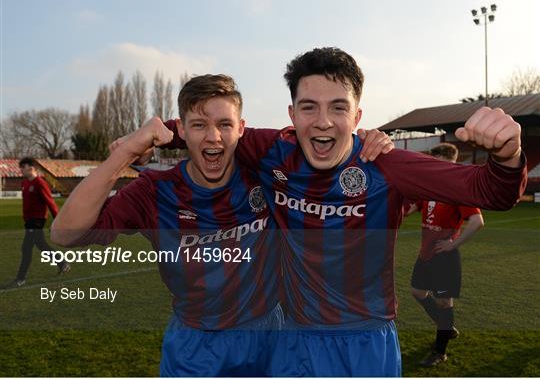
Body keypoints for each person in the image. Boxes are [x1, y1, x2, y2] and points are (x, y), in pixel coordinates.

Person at [160, 47, 527, 376]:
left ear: (357, 116)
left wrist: (507, 154)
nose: (323, 121)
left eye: (338, 107)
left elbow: (492, 190)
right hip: (292, 339)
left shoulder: (385, 165)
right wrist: (151, 137)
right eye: (309, 107)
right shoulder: (273, 151)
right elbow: (213, 130)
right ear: (292, 114)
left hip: (364, 343)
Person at [51, 74, 392, 376]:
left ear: (240, 129)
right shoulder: (155, 190)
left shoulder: (267, 177)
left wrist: (367, 140)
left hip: (269, 337)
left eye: (225, 125)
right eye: (199, 125)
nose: (213, 137)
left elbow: (326, 147)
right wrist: (126, 151)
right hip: (196, 345)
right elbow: (64, 234)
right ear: (180, 131)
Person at [405, 143, 484, 367]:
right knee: (417, 291)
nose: (432, 165)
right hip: (426, 254)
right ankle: (446, 327)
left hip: (444, 257)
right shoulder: (430, 188)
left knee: (443, 301)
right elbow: (411, 208)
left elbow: (477, 221)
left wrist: (453, 244)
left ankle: (439, 352)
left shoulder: (457, 189)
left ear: (448, 162)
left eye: (435, 161)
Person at [9, 157, 70, 287]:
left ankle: (20, 278)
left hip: (37, 221)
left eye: (23, 167)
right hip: (29, 221)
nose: (21, 170)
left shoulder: (40, 183)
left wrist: (57, 220)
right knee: (42, 245)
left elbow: (50, 202)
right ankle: (63, 263)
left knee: (26, 248)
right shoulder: (24, 183)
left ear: (31, 168)